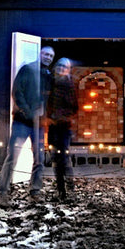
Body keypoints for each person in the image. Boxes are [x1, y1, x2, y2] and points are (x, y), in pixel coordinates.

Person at [0, 46, 55, 207]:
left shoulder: (48, 76)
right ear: (40, 54)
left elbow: (48, 101)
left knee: (39, 159)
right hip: (22, 122)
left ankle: (35, 191)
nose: (48, 57)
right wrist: (28, 112)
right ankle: (2, 192)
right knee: (12, 157)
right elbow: (17, 91)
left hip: (39, 125)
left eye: (51, 56)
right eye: (46, 54)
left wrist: (46, 118)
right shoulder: (27, 69)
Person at [47, 57, 78, 201]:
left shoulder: (70, 85)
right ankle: (60, 189)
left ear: (68, 69)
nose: (61, 68)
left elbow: (74, 107)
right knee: (54, 157)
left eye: (64, 66)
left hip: (64, 127)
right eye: (59, 65)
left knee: (63, 158)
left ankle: (69, 187)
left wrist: (62, 116)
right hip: (52, 126)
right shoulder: (51, 83)